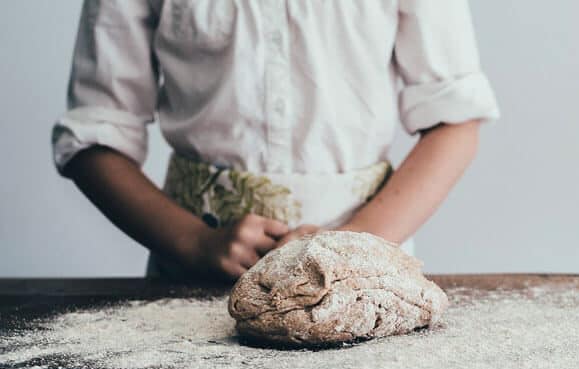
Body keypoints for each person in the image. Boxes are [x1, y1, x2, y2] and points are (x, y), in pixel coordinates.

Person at [53, 0, 499, 280]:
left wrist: (353, 245)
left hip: (366, 272)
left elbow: (454, 121)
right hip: (192, 276)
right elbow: (94, 135)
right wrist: (194, 243)